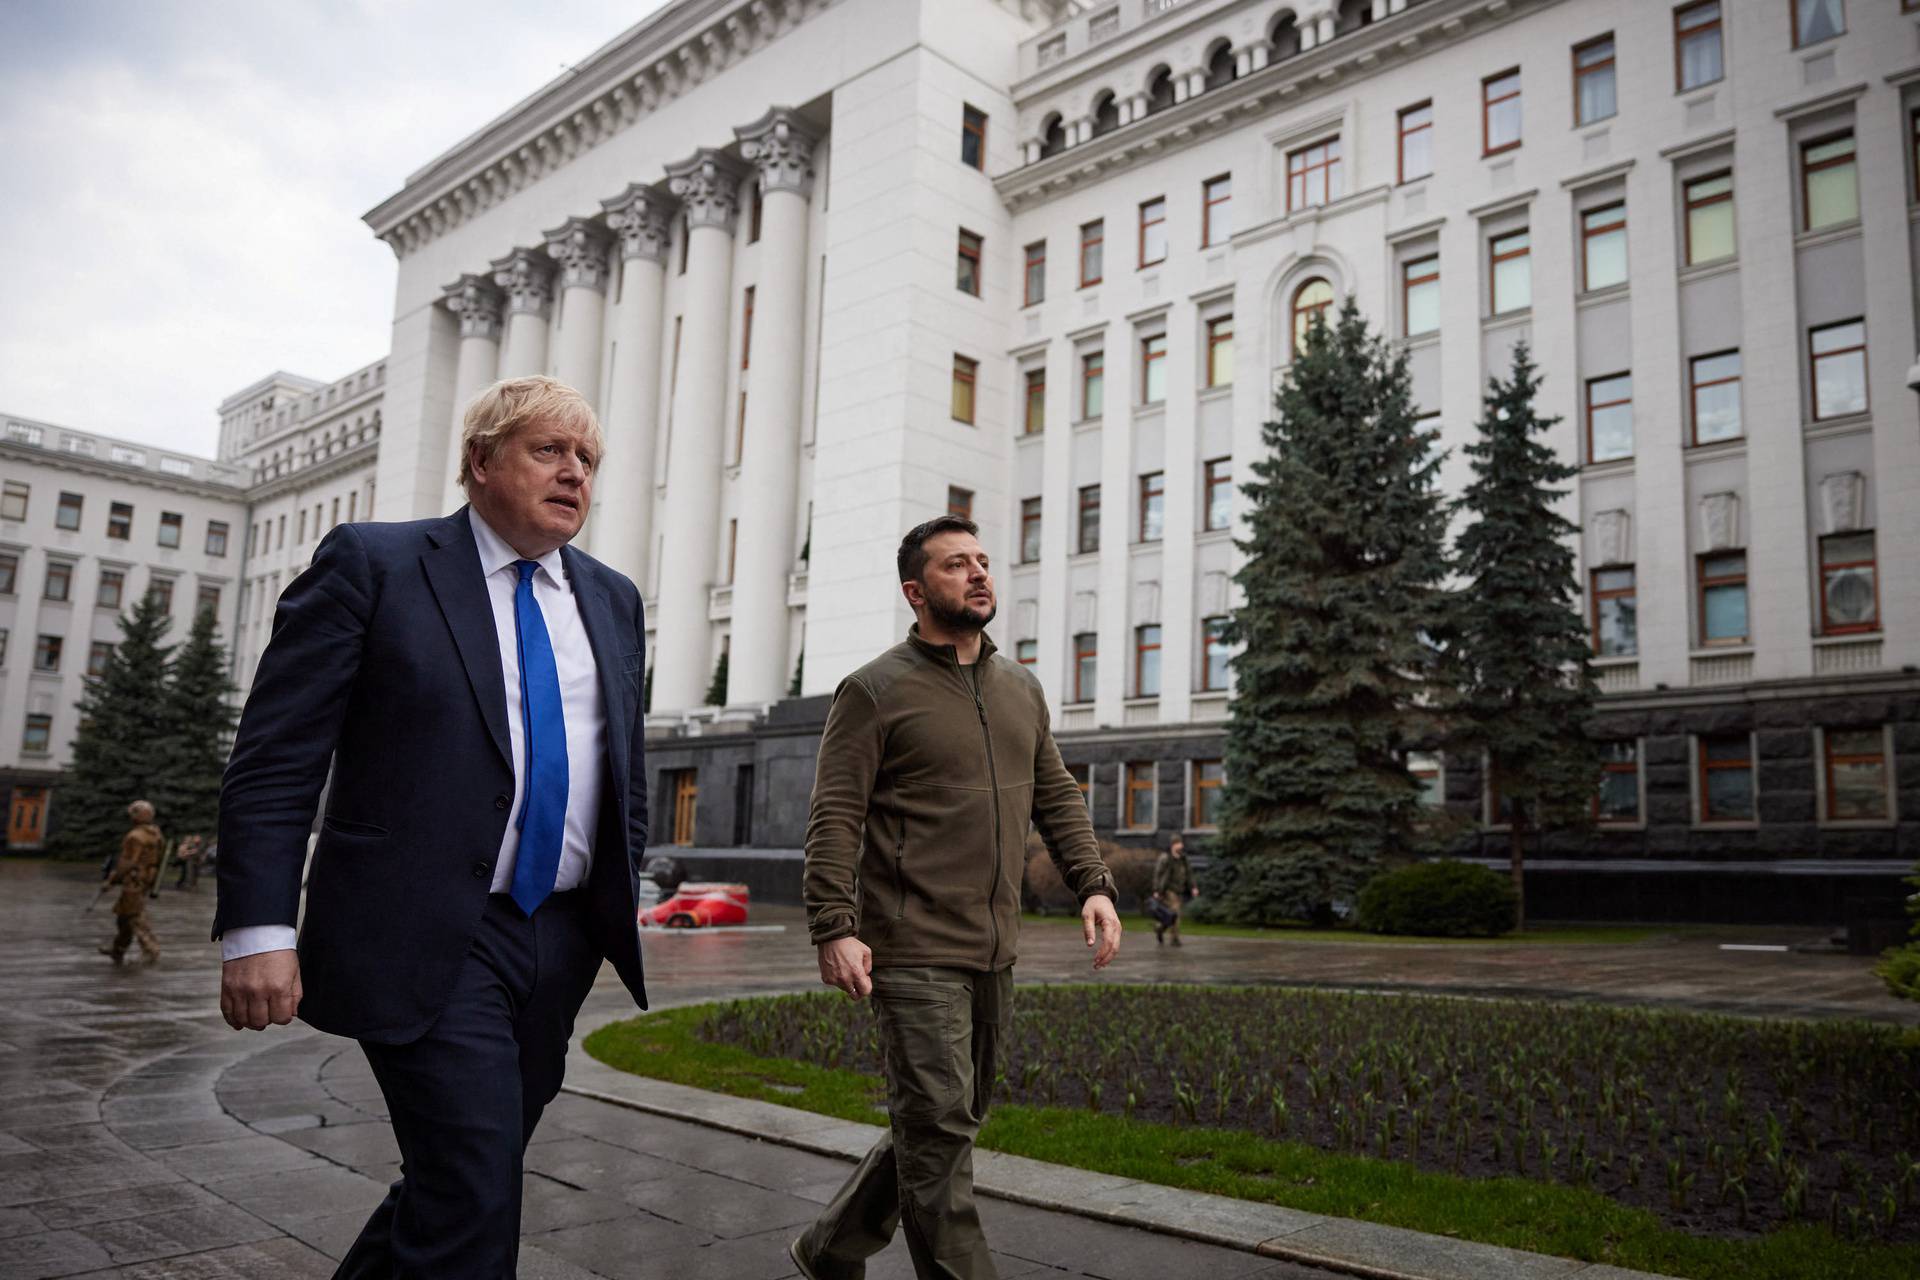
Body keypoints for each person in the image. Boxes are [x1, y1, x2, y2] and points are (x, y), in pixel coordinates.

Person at [213, 376, 650, 1278]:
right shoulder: (375, 564)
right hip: (426, 932)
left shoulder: (612, 599)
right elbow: (278, 754)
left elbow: (621, 768)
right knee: (471, 1188)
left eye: (588, 460)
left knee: (459, 1179)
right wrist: (259, 928)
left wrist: (615, 899)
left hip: (558, 940)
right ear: (480, 462)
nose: (575, 473)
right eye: (549, 451)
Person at [792, 514, 1122, 1280]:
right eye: (954, 566)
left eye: (982, 561)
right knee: (939, 1130)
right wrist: (833, 925)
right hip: (910, 947)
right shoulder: (874, 691)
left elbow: (1057, 795)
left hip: (992, 945)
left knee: (945, 1121)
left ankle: (830, 1246)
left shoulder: (1020, 688)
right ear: (916, 591)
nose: (978, 574)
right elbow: (835, 814)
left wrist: (1093, 883)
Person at [100, 799, 164, 965]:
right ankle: (118, 949)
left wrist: (111, 881)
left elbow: (127, 862)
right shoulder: (155, 834)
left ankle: (151, 950)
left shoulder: (135, 836)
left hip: (134, 881)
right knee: (123, 916)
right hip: (146, 879)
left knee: (134, 916)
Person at [1151, 836, 1198, 947]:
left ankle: (1159, 928)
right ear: (1173, 845)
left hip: (1179, 890)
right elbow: (1158, 874)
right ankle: (1174, 939)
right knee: (1175, 914)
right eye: (1178, 843)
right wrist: (1156, 890)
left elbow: (1189, 874)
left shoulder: (1183, 858)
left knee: (1170, 916)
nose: (1181, 845)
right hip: (1168, 891)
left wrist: (1193, 887)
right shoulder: (1166, 858)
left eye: (1181, 843)